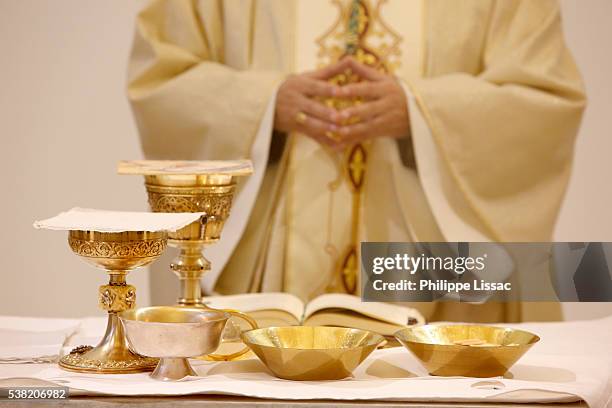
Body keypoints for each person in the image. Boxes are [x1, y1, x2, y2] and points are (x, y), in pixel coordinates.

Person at [127, 0, 585, 322]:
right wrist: (263, 102)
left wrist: (424, 110)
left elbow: (544, 97)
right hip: (268, 280)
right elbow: (161, 79)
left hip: (435, 282)